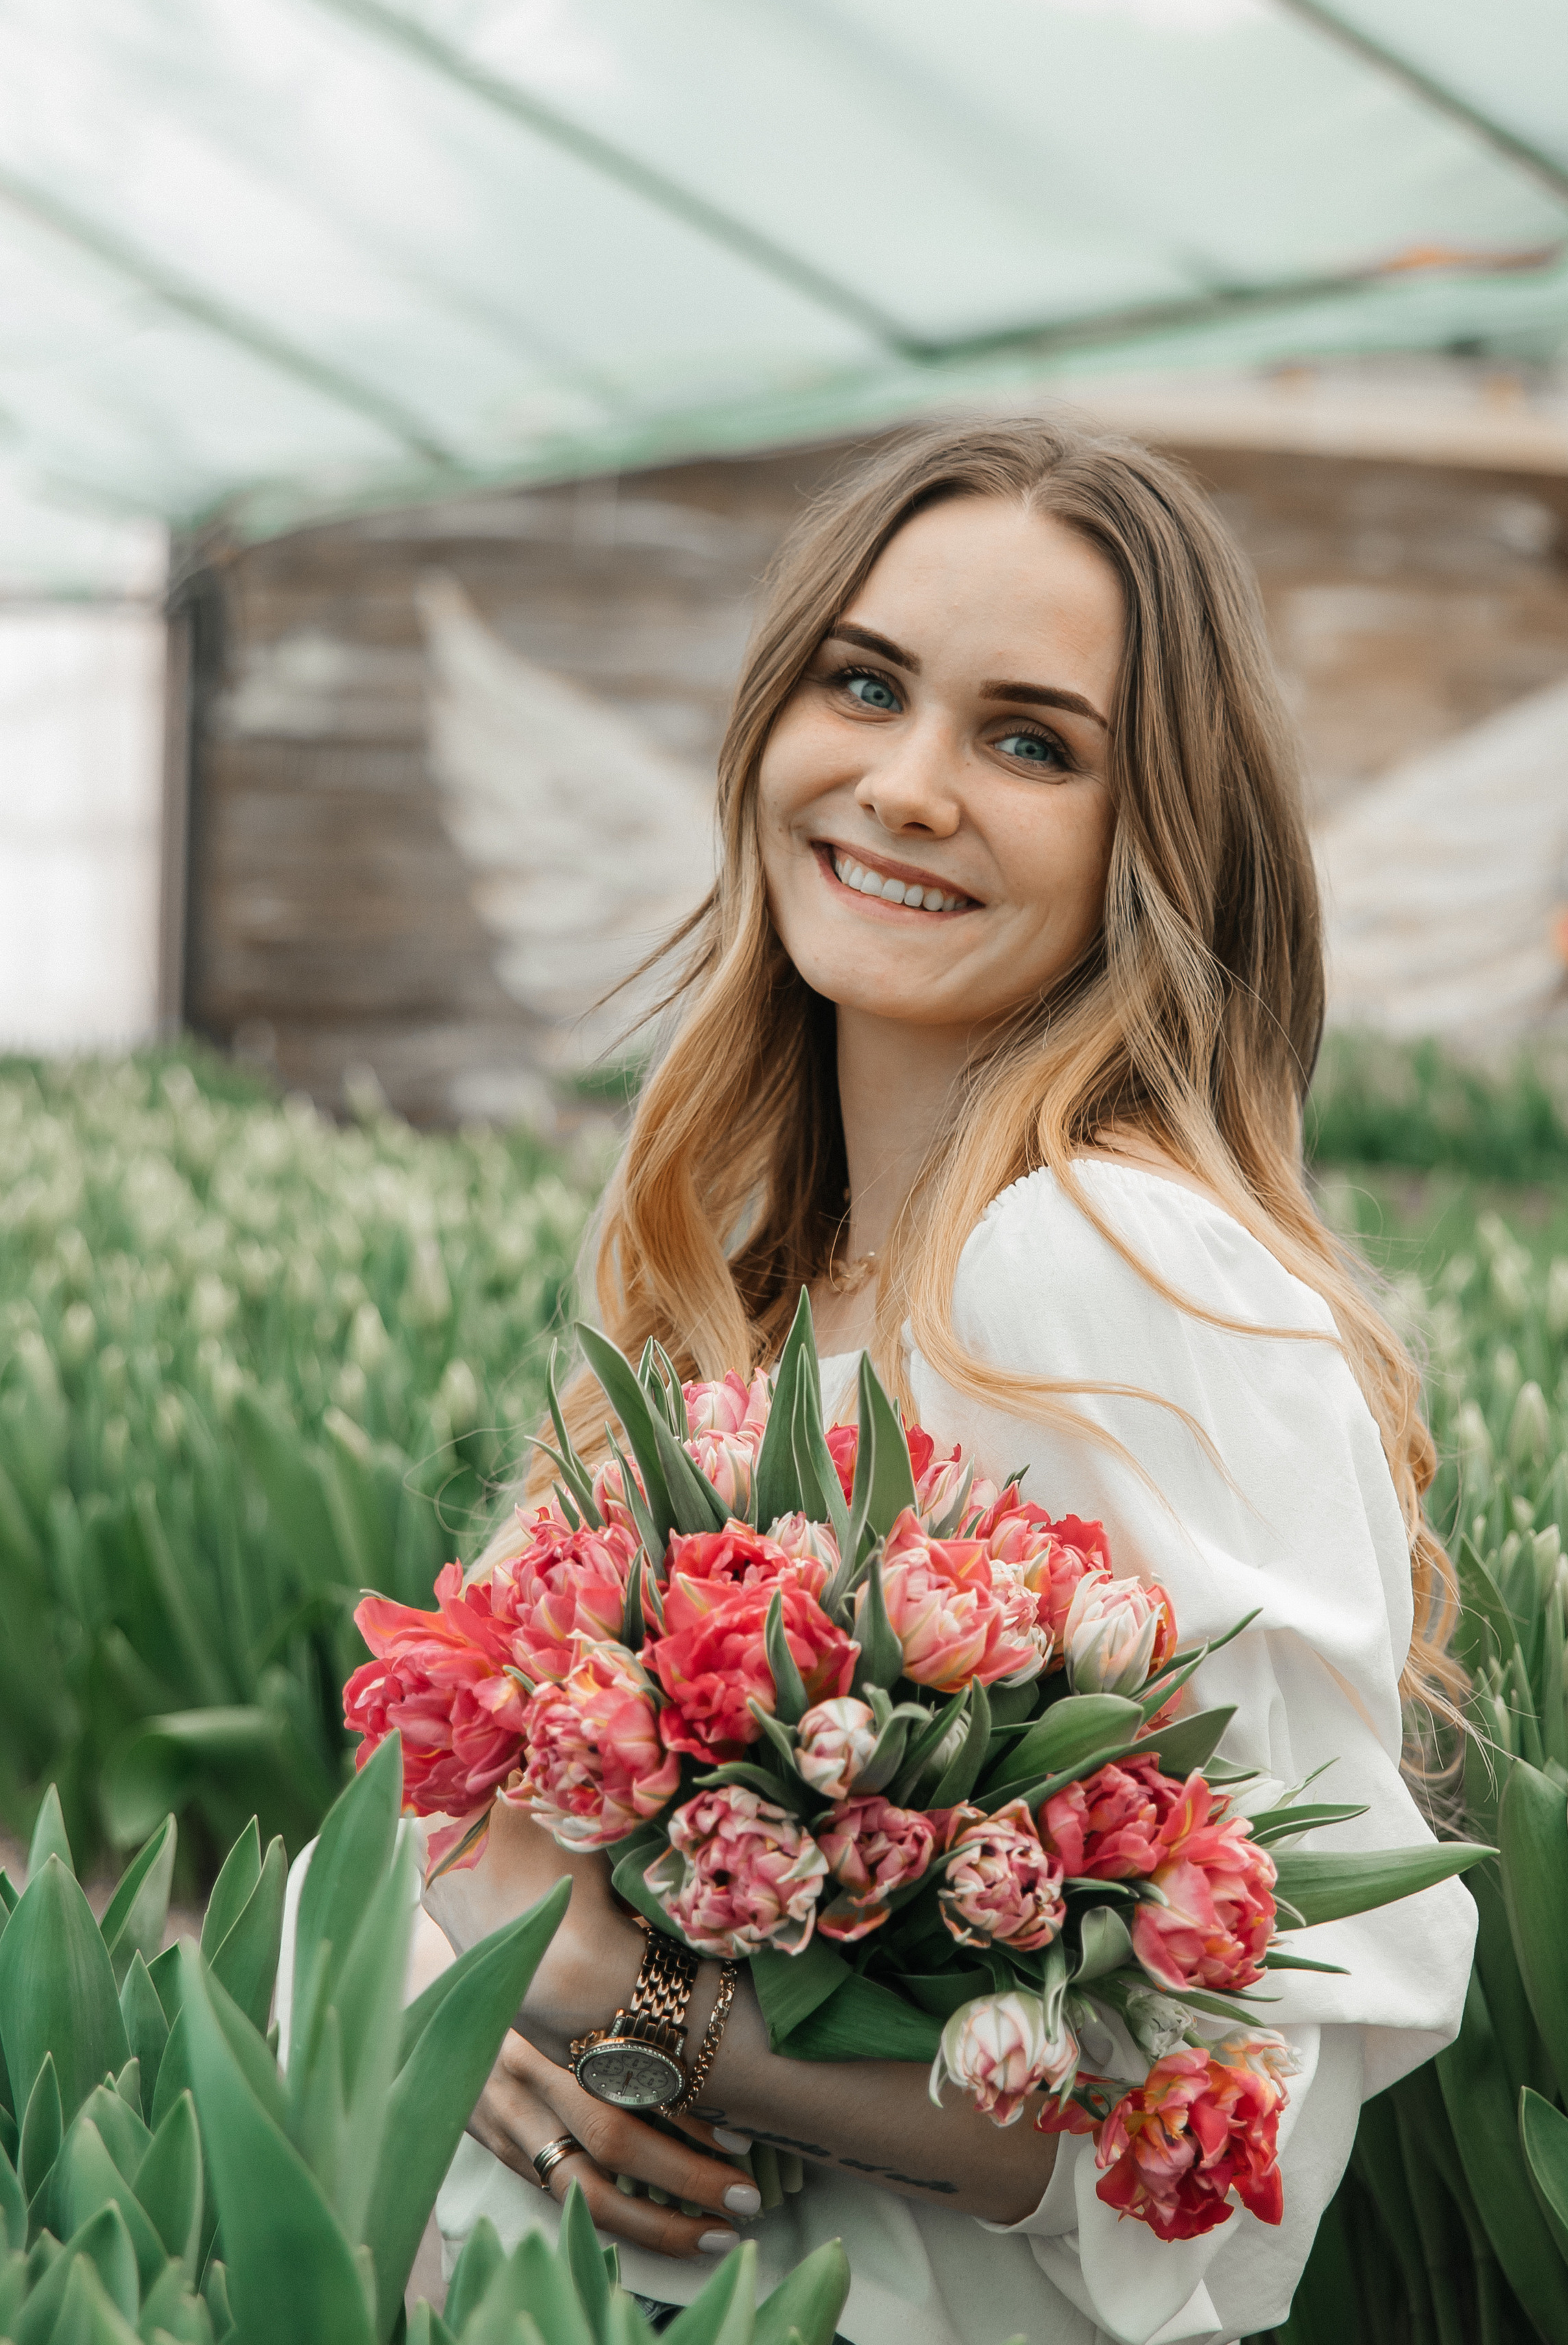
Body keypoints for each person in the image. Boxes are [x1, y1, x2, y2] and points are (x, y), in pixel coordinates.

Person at [412, 420, 1477, 2344]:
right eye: (869, 683)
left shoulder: (1093, 1268)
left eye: (1030, 740)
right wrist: (481, 2000)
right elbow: (511, 1897)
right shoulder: (763, 1275)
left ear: (1151, 840)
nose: (905, 787)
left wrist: (628, 2007)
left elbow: (1213, 2142)